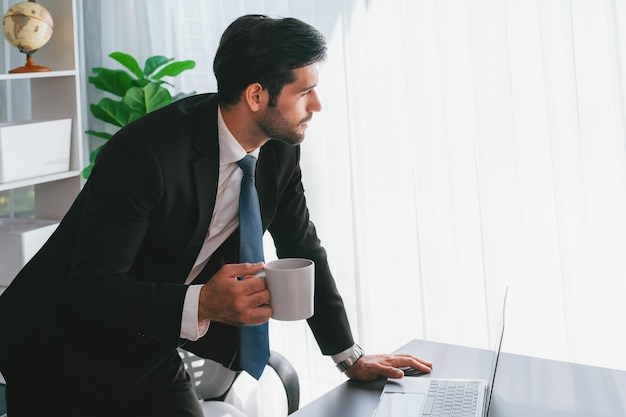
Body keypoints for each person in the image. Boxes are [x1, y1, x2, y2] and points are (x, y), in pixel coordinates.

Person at [0, 14, 432, 417]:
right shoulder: (145, 154)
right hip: (56, 343)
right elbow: (91, 289)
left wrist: (349, 357)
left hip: (146, 338)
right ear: (256, 94)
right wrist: (204, 302)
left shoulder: (278, 151)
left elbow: (302, 248)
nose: (316, 105)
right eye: (304, 91)